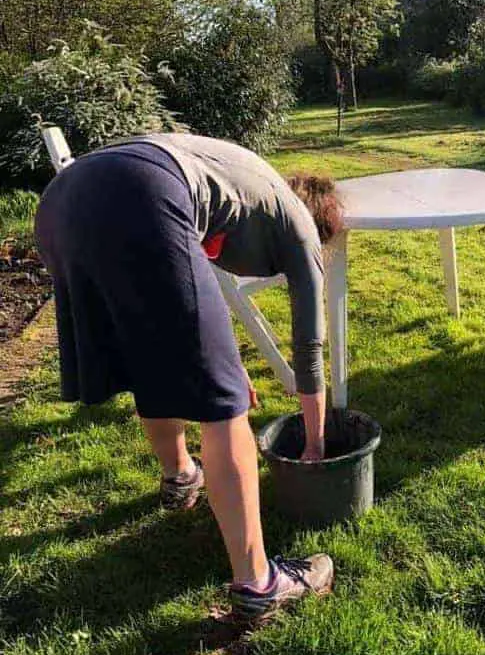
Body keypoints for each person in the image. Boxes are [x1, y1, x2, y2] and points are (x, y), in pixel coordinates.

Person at [34, 133, 344, 622]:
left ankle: (181, 477)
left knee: (149, 360)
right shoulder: (300, 226)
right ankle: (260, 584)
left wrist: (223, 360)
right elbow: (309, 348)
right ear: (320, 220)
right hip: (141, 191)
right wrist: (315, 441)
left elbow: (181, 292)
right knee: (225, 407)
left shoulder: (247, 189)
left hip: (62, 204)